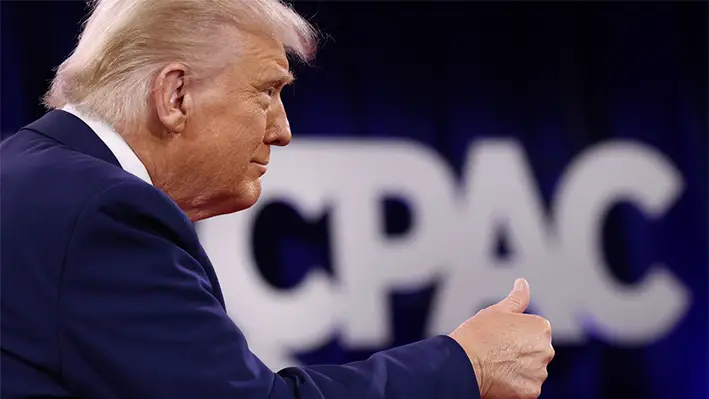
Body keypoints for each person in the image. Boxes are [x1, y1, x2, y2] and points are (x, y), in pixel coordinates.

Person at [0, 0, 554, 398]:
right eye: (267, 92)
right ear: (175, 95)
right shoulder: (104, 213)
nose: (283, 130)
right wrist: (467, 365)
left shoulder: (31, 175)